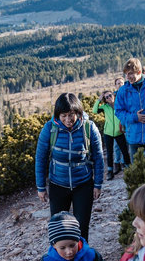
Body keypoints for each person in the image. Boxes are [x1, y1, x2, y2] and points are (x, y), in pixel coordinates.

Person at [35, 92, 104, 240]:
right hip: (58, 185)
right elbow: (40, 158)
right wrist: (41, 187)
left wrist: (97, 184)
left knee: (82, 227)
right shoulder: (49, 129)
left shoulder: (89, 128)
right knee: (58, 228)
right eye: (63, 115)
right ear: (57, 115)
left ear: (78, 112)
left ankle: (82, 260)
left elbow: (98, 157)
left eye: (71, 115)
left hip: (83, 185)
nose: (68, 120)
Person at [92, 90, 131, 180]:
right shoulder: (104, 107)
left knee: (124, 150)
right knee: (109, 153)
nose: (109, 97)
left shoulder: (119, 104)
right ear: (105, 99)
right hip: (108, 133)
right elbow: (94, 111)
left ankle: (129, 168)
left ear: (113, 95)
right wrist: (99, 100)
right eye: (106, 97)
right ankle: (110, 171)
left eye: (110, 95)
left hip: (119, 132)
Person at [113, 77, 125, 171]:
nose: (120, 84)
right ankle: (117, 163)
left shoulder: (128, 94)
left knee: (127, 143)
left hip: (126, 122)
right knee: (117, 145)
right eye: (118, 83)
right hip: (117, 124)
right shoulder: (113, 97)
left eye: (121, 82)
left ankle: (124, 161)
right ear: (115, 86)